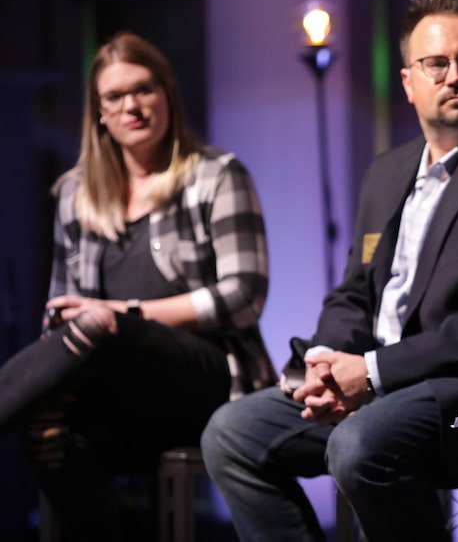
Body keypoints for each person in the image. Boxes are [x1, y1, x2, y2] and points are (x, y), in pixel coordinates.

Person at [200, 0, 458, 541]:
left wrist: (372, 373)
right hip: (382, 385)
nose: (455, 75)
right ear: (409, 82)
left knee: (358, 445)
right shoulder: (387, 172)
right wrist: (326, 363)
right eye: (435, 63)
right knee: (231, 432)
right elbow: (355, 291)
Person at [0, 31, 276, 541]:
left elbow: (244, 296)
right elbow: (58, 315)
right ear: (98, 112)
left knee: (101, 322)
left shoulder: (216, 176)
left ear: (168, 94)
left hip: (211, 381)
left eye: (145, 89)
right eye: (115, 96)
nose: (132, 105)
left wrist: (123, 311)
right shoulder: (74, 195)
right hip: (119, 393)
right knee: (47, 426)